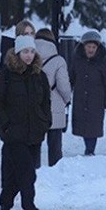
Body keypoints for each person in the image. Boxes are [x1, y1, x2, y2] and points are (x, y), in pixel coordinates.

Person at [0, 34, 51, 210]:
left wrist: (44, 122)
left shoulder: (39, 75)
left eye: (32, 51)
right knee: (27, 173)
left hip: (34, 132)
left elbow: (46, 102)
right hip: (13, 132)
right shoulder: (6, 74)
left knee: (15, 175)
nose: (29, 55)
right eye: (25, 51)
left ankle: (5, 202)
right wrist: (5, 123)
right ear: (17, 52)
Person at [69, 30, 106, 156]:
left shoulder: (102, 62)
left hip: (96, 100)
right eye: (88, 47)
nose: (91, 49)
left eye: (93, 47)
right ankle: (88, 148)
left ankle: (90, 150)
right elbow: (71, 78)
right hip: (80, 99)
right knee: (83, 125)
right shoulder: (77, 60)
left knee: (93, 126)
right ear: (83, 47)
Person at [34, 28, 71, 167]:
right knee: (55, 145)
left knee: (35, 144)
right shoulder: (58, 60)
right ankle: (55, 172)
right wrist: (67, 99)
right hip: (54, 107)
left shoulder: (30, 56)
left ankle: (35, 171)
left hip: (35, 107)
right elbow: (63, 85)